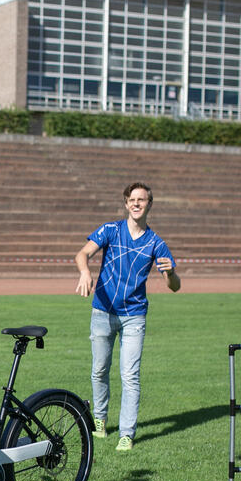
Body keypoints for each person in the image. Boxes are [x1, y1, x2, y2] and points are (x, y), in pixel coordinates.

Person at [75, 183, 180, 451]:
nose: (136, 204)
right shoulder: (110, 230)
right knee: (99, 370)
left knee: (130, 375)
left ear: (149, 204)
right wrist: (85, 272)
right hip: (102, 310)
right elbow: (83, 253)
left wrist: (170, 273)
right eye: (132, 199)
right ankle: (99, 419)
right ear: (125, 203)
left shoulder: (156, 242)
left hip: (134, 316)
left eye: (141, 200)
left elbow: (174, 286)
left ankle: (127, 433)